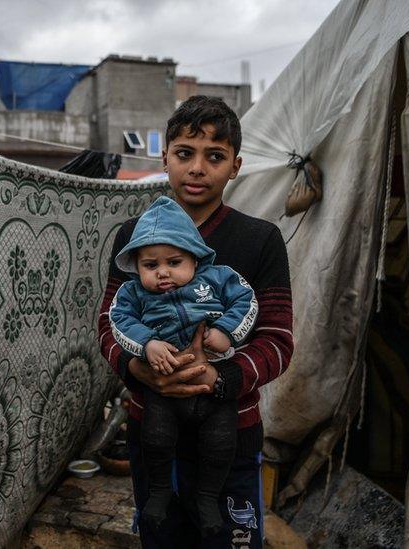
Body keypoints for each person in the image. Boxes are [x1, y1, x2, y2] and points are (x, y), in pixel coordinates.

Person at [97, 95, 294, 548]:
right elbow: (109, 323)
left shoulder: (258, 239)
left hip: (233, 433)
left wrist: (219, 378)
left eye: (215, 156)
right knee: (162, 537)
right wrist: (137, 368)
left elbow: (279, 341)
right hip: (153, 431)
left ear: (236, 165)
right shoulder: (132, 237)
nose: (197, 168)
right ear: (164, 158)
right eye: (185, 153)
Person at [109, 196, 258, 537]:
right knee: (156, 438)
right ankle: (160, 491)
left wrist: (226, 332)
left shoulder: (219, 278)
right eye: (150, 265)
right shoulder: (133, 294)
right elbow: (117, 320)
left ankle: (208, 497)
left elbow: (247, 300)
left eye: (174, 262)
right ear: (137, 267)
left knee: (221, 442)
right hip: (162, 388)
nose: (163, 272)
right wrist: (146, 344)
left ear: (194, 257)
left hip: (215, 391)